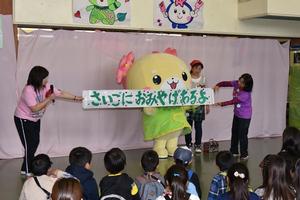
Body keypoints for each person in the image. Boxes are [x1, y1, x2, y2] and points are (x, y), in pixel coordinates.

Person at [14, 66, 83, 176]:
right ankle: (27, 171)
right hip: (23, 119)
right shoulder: (29, 90)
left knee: (35, 142)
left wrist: (76, 97)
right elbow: (35, 108)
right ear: (38, 78)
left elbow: (61, 93)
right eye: (45, 78)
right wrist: (49, 99)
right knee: (29, 145)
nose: (47, 80)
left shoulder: (45, 86)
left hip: (35, 119)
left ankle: (24, 168)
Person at [213, 73, 253, 160]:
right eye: (239, 80)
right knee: (234, 132)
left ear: (246, 85)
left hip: (245, 116)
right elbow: (225, 83)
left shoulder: (245, 94)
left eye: (242, 83)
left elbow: (233, 101)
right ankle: (234, 151)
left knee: (242, 135)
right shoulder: (237, 83)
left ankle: (244, 154)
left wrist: (222, 103)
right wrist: (218, 85)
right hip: (237, 114)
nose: (239, 83)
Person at [185, 60, 209, 153]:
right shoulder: (187, 78)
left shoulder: (203, 79)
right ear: (192, 68)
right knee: (188, 127)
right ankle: (188, 144)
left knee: (198, 127)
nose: (198, 70)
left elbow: (206, 93)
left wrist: (207, 105)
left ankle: (198, 145)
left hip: (199, 106)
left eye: (200, 68)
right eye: (196, 68)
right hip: (188, 105)